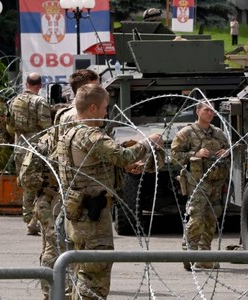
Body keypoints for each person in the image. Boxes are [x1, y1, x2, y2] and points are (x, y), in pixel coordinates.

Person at [56, 83, 163, 299]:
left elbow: (91, 167)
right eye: (105, 107)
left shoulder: (68, 134)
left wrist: (120, 168)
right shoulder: (91, 135)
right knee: (95, 277)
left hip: (77, 213)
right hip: (92, 218)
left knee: (81, 275)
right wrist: (147, 143)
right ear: (93, 108)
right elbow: (122, 156)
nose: (107, 112)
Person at [18, 103, 70, 299]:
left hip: (46, 200)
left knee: (51, 245)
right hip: (52, 200)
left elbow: (26, 180)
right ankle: (53, 291)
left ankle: (52, 290)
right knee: (56, 247)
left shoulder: (41, 143)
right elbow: (27, 178)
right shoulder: (55, 143)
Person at [171, 102, 230, 270]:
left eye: (212, 110)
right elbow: (174, 155)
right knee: (196, 218)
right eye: (206, 110)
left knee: (211, 219)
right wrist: (194, 154)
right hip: (197, 182)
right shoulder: (187, 133)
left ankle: (204, 256)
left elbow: (228, 149)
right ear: (198, 111)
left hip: (216, 183)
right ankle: (189, 253)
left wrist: (227, 152)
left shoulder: (217, 133)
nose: (210, 113)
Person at [7, 72, 52, 235]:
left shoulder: (14, 101)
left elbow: (9, 126)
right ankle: (33, 220)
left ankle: (29, 218)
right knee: (38, 184)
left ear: (26, 84)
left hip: (19, 146)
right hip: (36, 148)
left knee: (25, 184)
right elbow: (47, 126)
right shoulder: (40, 101)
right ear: (39, 85)